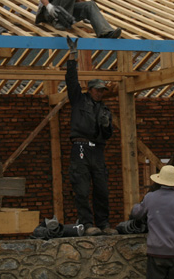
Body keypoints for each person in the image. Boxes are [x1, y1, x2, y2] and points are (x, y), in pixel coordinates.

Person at [65, 36, 117, 236]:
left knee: (102, 189)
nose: (100, 93)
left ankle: (103, 224)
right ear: (90, 90)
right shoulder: (79, 100)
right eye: (97, 90)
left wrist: (106, 127)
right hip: (80, 148)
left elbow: (109, 134)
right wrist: (72, 57)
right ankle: (87, 225)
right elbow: (71, 81)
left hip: (98, 150)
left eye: (102, 91)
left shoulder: (104, 110)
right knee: (82, 187)